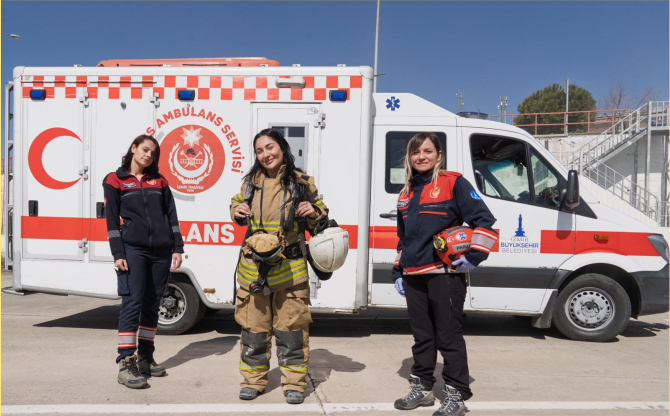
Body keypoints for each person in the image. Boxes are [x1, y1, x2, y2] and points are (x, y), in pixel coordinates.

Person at [392, 133, 498, 416]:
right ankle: (423, 389)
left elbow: (485, 222)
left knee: (448, 336)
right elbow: (404, 239)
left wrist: (473, 257)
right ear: (409, 157)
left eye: (428, 151)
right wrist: (398, 270)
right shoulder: (405, 193)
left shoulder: (454, 183)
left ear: (439, 155)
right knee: (422, 335)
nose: (421, 157)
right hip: (414, 274)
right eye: (416, 152)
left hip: (445, 275)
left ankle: (456, 394)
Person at [230, 128, 328, 405]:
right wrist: (235, 211)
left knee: (292, 331)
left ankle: (294, 383)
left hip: (290, 273)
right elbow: (236, 205)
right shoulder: (250, 183)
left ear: (282, 148)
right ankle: (253, 381)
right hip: (253, 272)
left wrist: (314, 212)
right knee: (253, 331)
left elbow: (321, 216)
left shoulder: (301, 183)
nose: (265, 155)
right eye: (259, 150)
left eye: (270, 147)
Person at [103, 134, 184, 389]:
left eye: (153, 153)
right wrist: (118, 254)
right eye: (145, 150)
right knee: (132, 302)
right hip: (133, 250)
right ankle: (126, 362)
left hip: (160, 251)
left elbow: (172, 216)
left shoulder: (159, 181)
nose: (148, 155)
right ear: (134, 148)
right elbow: (112, 220)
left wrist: (177, 248)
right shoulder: (115, 179)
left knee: (152, 304)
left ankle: (146, 357)